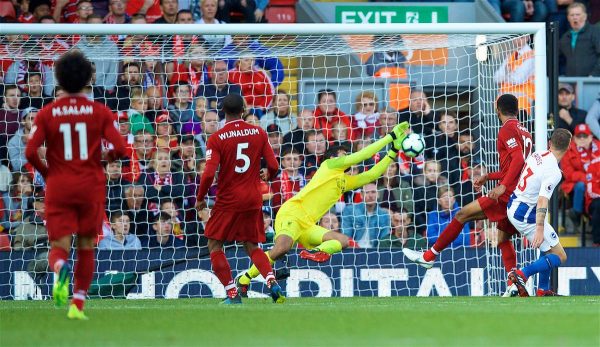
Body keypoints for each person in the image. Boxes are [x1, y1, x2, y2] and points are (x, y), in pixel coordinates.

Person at [237, 122, 410, 293]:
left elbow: (372, 174)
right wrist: (391, 136)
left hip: (308, 225)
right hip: (292, 213)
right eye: (343, 154)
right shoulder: (329, 165)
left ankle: (318, 252)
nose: (347, 156)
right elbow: (362, 155)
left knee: (343, 241)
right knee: (282, 248)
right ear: (334, 157)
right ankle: (244, 279)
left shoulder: (344, 181)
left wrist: (393, 151)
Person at [24, 50, 127, 319]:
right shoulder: (99, 111)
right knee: (85, 246)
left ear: (58, 78)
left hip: (59, 184)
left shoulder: (48, 113)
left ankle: (60, 267)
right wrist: (106, 157)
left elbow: (30, 152)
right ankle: (77, 305)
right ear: (87, 79)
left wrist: (48, 174)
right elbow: (120, 147)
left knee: (59, 245)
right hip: (90, 184)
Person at [403, 94, 532, 279]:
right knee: (503, 239)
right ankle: (515, 283)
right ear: (517, 110)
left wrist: (502, 186)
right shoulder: (524, 131)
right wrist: (488, 176)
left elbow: (518, 159)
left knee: (462, 214)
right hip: (520, 192)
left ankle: (429, 256)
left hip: (508, 194)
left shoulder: (507, 129)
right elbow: (518, 166)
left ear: (497, 109)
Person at [195, 93, 283, 304]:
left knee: (215, 245)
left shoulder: (216, 138)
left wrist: (200, 198)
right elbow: (274, 166)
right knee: (252, 246)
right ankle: (272, 281)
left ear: (223, 112)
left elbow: (208, 173)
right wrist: (268, 175)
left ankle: (232, 294)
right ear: (243, 109)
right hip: (253, 199)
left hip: (228, 200)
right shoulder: (258, 132)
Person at [507, 129, 572, 297]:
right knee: (560, 255)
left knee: (548, 247)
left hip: (514, 203)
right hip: (525, 214)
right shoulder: (554, 172)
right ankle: (522, 274)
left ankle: (542, 289)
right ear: (568, 147)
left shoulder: (539, 153)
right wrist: (539, 228)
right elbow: (543, 200)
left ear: (550, 143)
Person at [561, 124, 600, 225]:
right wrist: (588, 179)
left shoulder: (598, 146)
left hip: (597, 182)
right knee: (580, 186)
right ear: (574, 138)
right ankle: (577, 213)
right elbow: (568, 173)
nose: (582, 139)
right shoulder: (568, 150)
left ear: (591, 137)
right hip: (576, 184)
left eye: (585, 136)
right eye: (579, 136)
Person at [493, 35, 535, 116]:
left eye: (521, 37)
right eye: (516, 38)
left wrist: (506, 73)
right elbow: (496, 78)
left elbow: (518, 79)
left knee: (518, 128)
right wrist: (508, 74)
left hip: (521, 104)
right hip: (504, 104)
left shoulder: (531, 55)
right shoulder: (511, 56)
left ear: (527, 38)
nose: (518, 40)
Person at [341, 183, 390, 248]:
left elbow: (384, 240)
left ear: (378, 194)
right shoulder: (350, 211)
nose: (370, 195)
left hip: (375, 252)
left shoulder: (384, 215)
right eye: (367, 192)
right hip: (354, 251)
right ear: (361, 195)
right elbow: (346, 236)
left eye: (373, 192)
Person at [558, 3, 600, 77]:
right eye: (572, 15)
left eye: (578, 14)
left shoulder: (595, 32)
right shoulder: (565, 37)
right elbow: (557, 58)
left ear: (585, 16)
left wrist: (594, 74)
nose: (575, 17)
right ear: (568, 18)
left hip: (592, 82)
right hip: (571, 83)